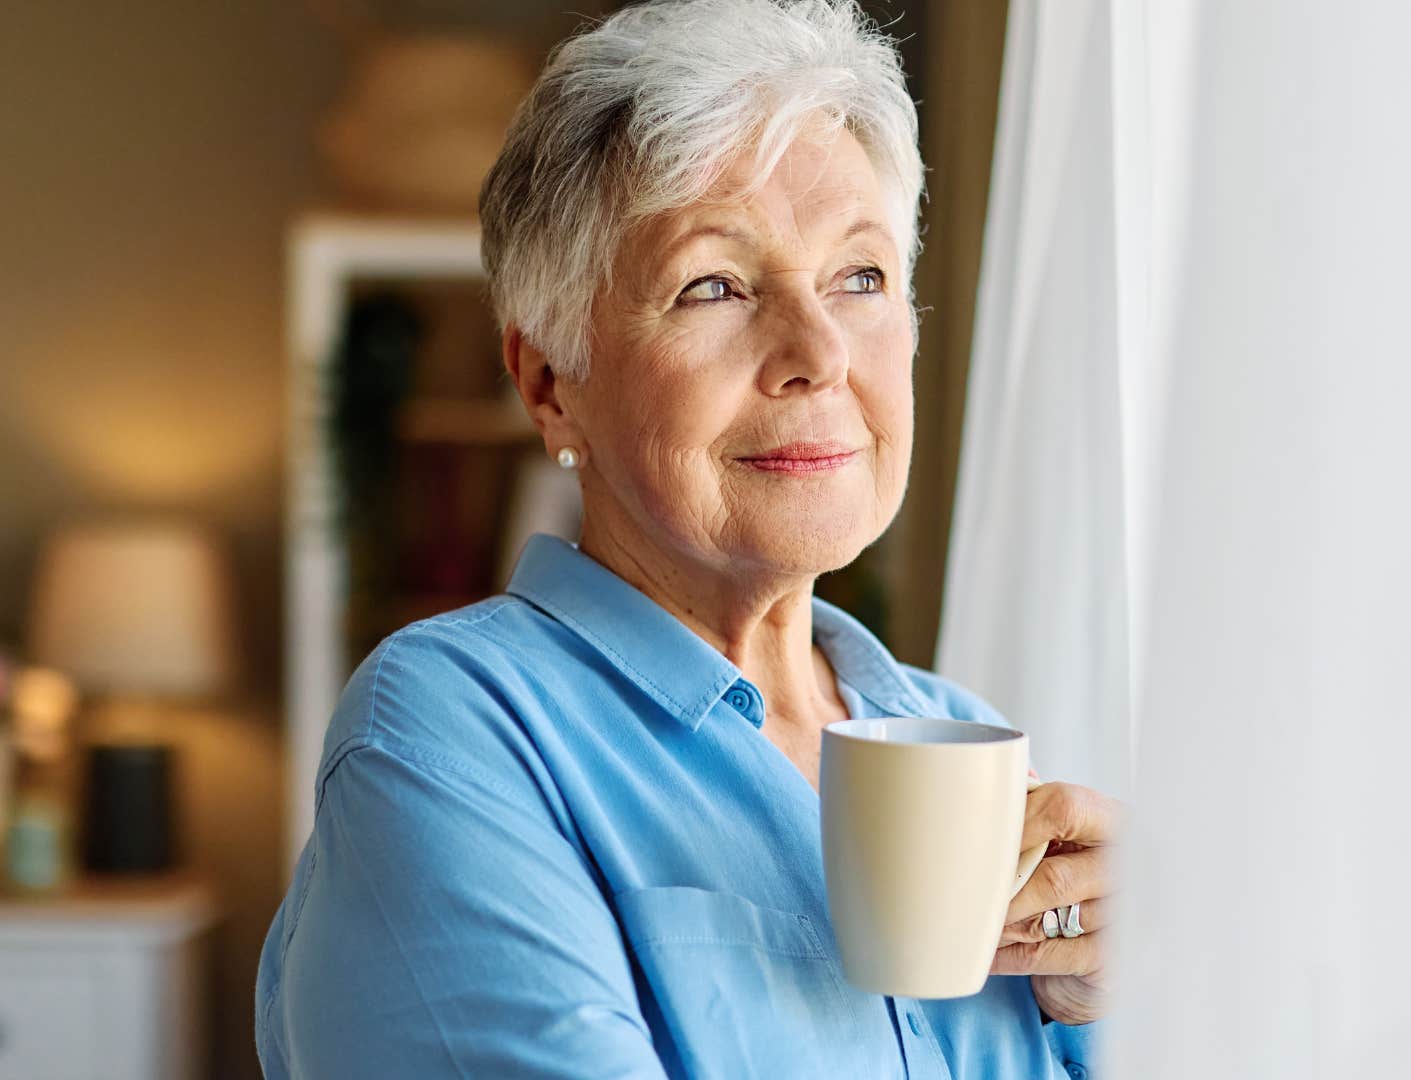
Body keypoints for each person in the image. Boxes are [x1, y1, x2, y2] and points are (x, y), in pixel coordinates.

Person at [254, 1, 1118, 1075]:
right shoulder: (451, 737)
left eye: (861, 277)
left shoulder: (962, 736)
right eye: (714, 285)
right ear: (549, 384)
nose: (818, 354)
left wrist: (1116, 1006)